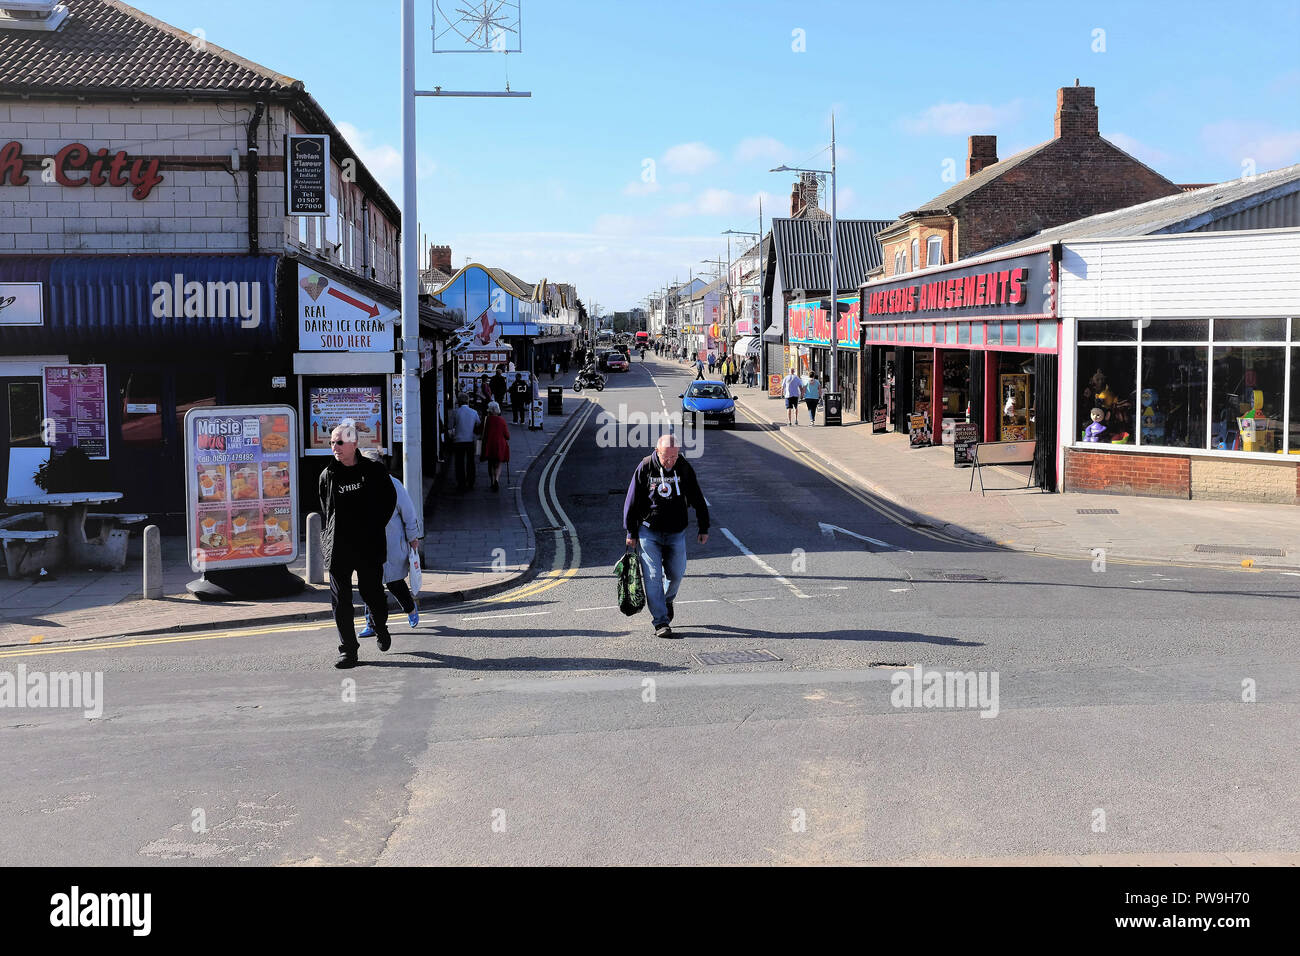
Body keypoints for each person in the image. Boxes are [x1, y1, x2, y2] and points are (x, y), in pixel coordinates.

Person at [318, 420, 397, 668]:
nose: (335, 447)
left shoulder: (374, 470)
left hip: (368, 545)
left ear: (354, 443)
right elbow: (325, 508)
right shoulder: (327, 475)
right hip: (339, 548)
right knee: (340, 600)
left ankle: (380, 626)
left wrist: (374, 527)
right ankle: (348, 651)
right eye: (332, 443)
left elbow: (389, 501)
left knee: (371, 593)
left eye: (340, 442)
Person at [623, 433, 710, 640]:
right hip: (648, 531)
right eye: (666, 457)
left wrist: (704, 526)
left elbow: (697, 497)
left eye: (674, 457)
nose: (670, 461)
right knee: (652, 576)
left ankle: (666, 600)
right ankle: (661, 621)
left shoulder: (684, 467)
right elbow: (631, 501)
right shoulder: (645, 467)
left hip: (676, 531)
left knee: (676, 574)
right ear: (657, 451)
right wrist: (631, 531)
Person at [357, 449, 422, 640]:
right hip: (367, 546)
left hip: (391, 545)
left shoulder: (393, 484)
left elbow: (409, 513)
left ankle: (410, 608)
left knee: (394, 583)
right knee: (370, 586)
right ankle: (372, 623)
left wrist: (413, 537)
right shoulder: (357, 485)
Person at [451, 395, 481, 491]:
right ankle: (471, 481)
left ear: (459, 402)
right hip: (470, 440)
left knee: (459, 462)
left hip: (458, 441)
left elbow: (450, 426)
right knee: (470, 462)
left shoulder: (455, 412)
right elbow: (478, 424)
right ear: (467, 401)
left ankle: (461, 482)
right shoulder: (474, 412)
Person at [480, 401, 511, 492]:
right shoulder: (502, 420)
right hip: (499, 445)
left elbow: (483, 433)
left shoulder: (487, 420)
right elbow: (507, 436)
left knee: (491, 464)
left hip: (489, 444)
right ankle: (497, 479)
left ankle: (492, 482)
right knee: (498, 464)